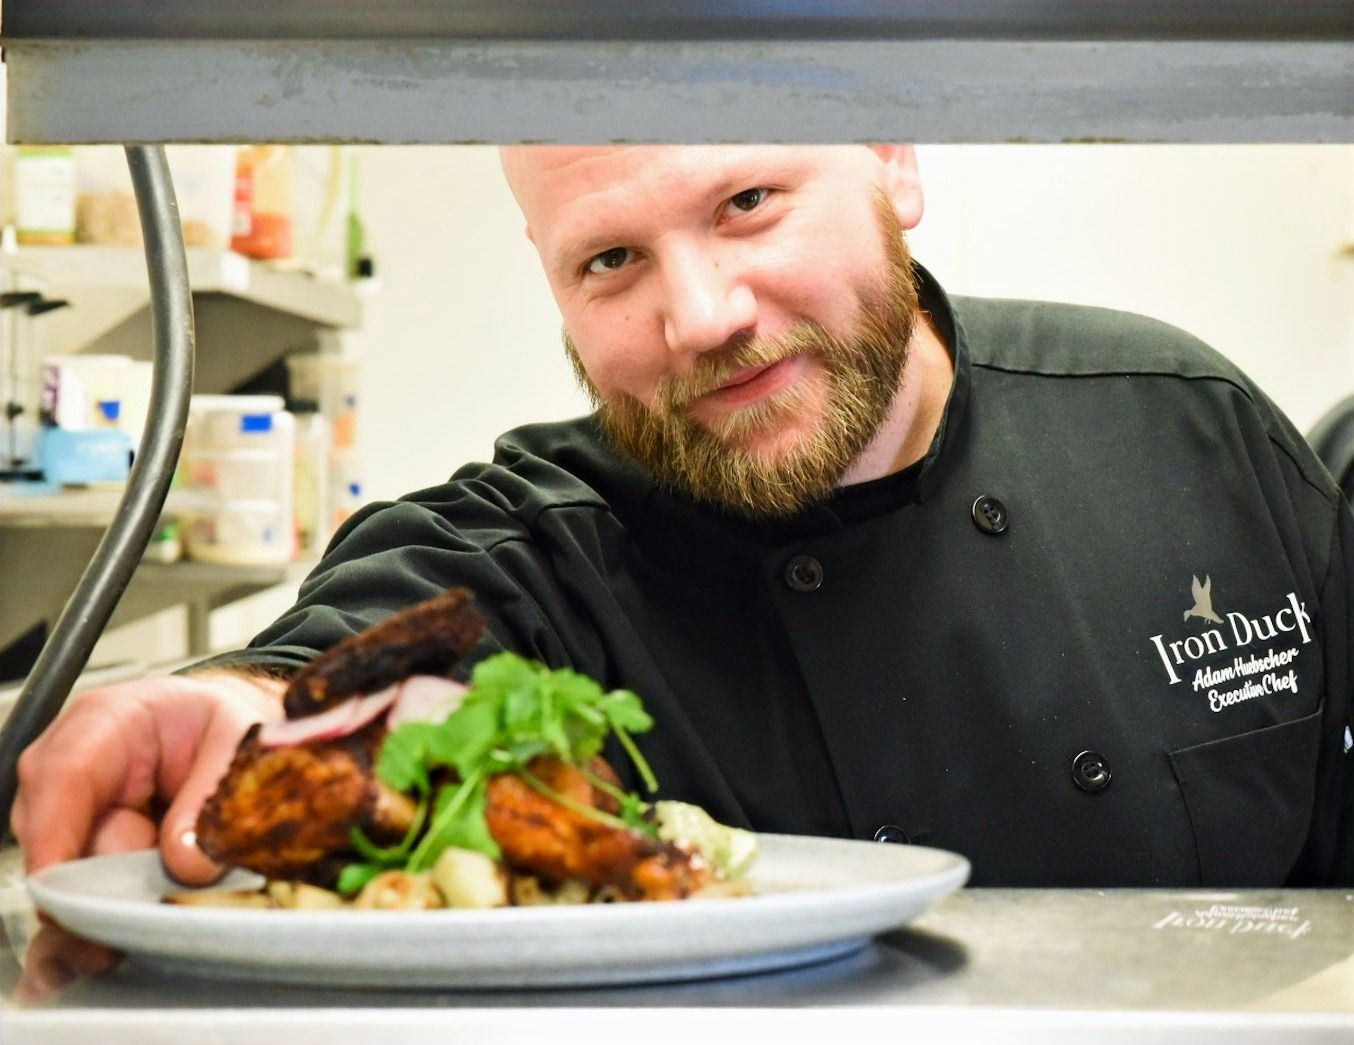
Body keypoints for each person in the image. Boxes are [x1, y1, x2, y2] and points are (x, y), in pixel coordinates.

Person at [11, 145, 1352, 889]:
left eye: (747, 203)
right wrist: (257, 699)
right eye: (610, 260)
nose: (700, 314)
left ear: (889, 162)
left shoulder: (1184, 423)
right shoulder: (557, 544)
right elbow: (391, 618)